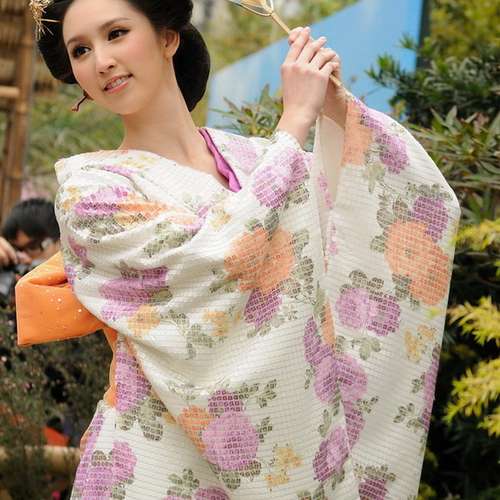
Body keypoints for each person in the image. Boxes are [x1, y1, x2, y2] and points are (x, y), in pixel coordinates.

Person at [15, 0, 461, 498]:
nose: (101, 61)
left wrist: (337, 112)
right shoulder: (90, 193)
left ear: (168, 37)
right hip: (155, 460)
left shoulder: (259, 159)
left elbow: (352, 230)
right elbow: (218, 259)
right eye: (80, 50)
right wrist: (294, 121)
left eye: (116, 33)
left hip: (289, 435)